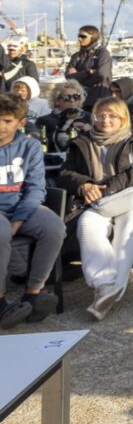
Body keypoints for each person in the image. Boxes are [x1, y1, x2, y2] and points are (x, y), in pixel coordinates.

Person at [56, 96, 133, 321]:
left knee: (129, 222)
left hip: (127, 200)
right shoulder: (82, 142)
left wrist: (107, 187)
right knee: (86, 223)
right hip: (93, 202)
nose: (105, 120)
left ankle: (109, 291)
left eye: (112, 115)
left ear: (123, 118)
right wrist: (84, 185)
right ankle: (105, 285)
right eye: (101, 115)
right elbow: (64, 173)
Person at [0, 93, 65, 327]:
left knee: (54, 227)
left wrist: (18, 219)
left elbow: (36, 188)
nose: (0, 126)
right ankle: (1, 304)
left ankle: (33, 294)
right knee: (1, 232)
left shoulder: (30, 146)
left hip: (20, 207)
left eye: (7, 121)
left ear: (21, 122)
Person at [35, 80, 92, 177]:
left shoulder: (88, 117)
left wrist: (90, 131)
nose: (72, 100)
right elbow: (42, 145)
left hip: (85, 165)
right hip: (56, 167)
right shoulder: (45, 120)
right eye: (67, 97)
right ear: (57, 100)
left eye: (76, 96)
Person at [66, 25, 112, 108]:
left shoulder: (102, 53)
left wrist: (78, 76)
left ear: (93, 37)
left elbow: (102, 74)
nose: (79, 39)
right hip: (81, 99)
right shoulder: (76, 56)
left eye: (83, 36)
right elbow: (68, 77)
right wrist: (88, 72)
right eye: (78, 36)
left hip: (99, 99)